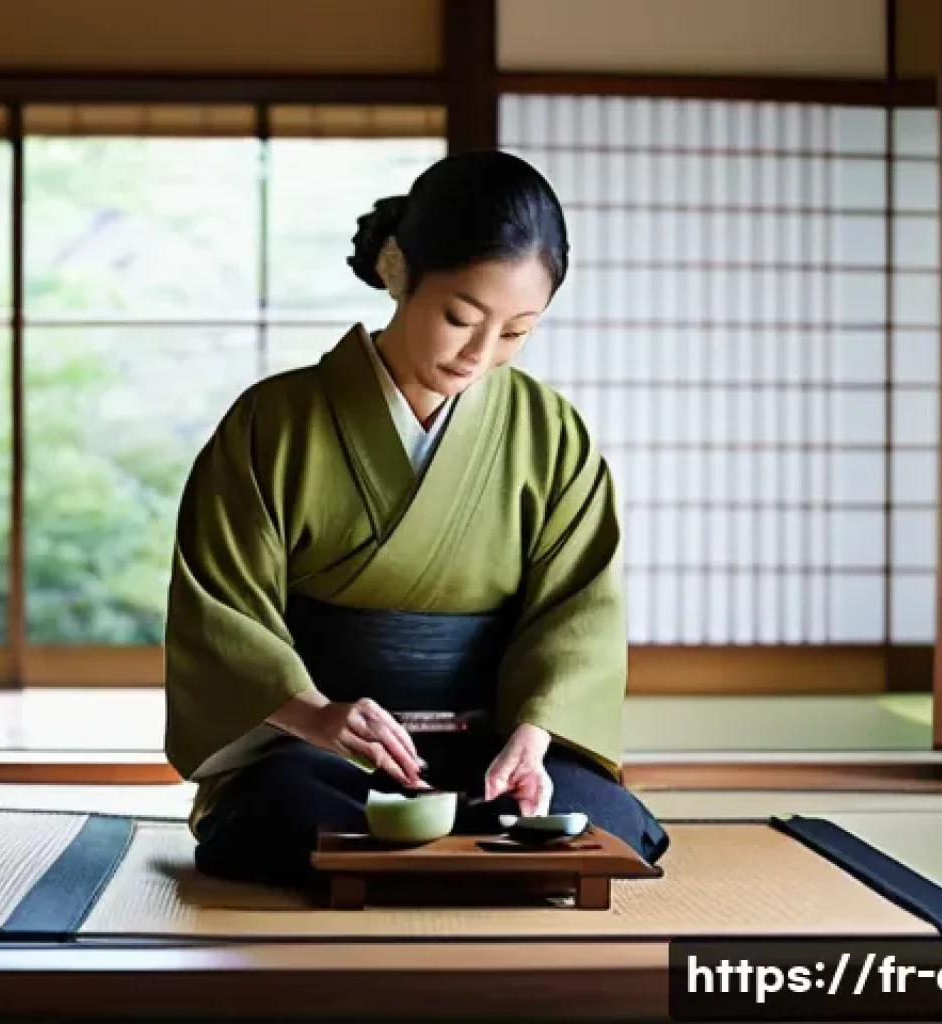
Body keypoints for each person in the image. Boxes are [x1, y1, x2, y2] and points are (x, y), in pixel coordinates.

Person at [164, 149, 670, 889]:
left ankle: (446, 844)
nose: (480, 353)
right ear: (398, 269)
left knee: (602, 822)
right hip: (329, 753)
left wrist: (534, 736)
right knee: (287, 811)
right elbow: (222, 609)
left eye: (516, 331)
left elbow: (579, 612)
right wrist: (316, 715)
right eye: (461, 318)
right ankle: (470, 858)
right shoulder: (273, 424)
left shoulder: (551, 433)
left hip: (493, 750)